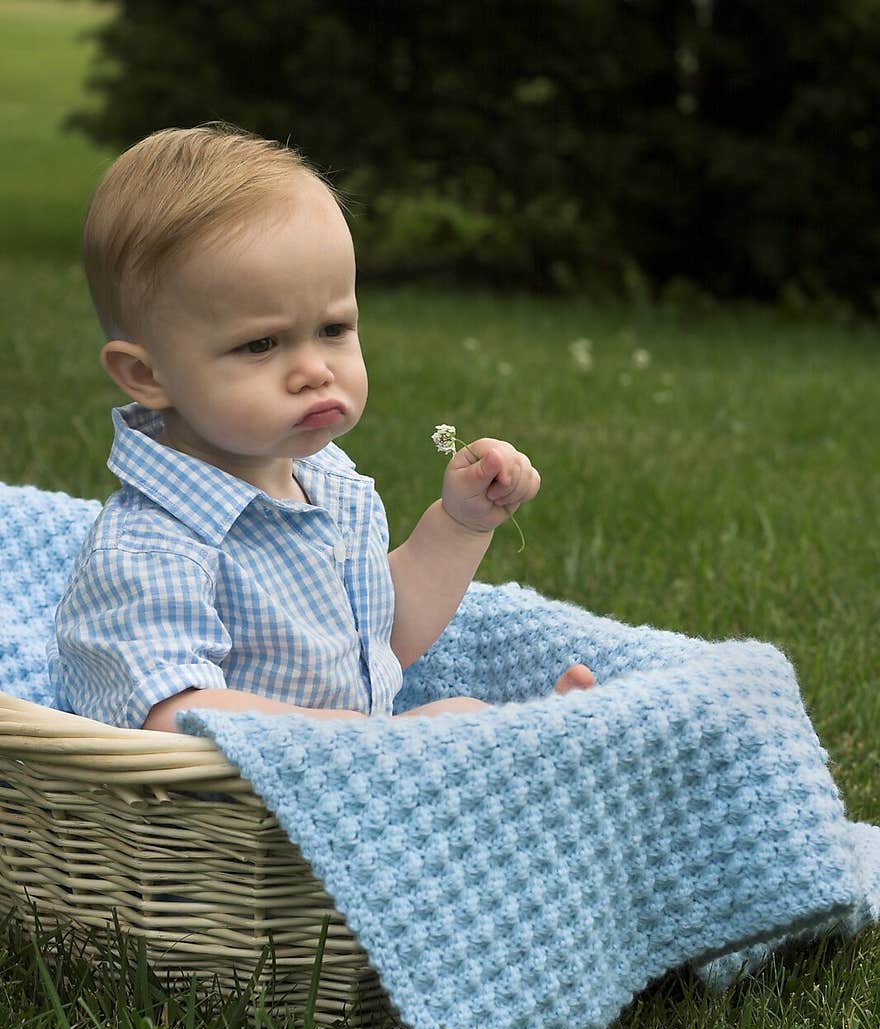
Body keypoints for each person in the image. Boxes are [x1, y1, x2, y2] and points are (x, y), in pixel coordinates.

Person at [49, 124, 595, 732]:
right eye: (261, 344)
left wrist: (460, 525)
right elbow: (172, 713)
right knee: (454, 722)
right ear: (146, 375)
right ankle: (527, 742)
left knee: (457, 720)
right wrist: (357, 740)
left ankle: (534, 740)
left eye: (333, 330)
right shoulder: (153, 550)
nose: (314, 370)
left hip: (340, 772)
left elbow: (379, 638)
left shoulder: (326, 481)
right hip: (233, 812)